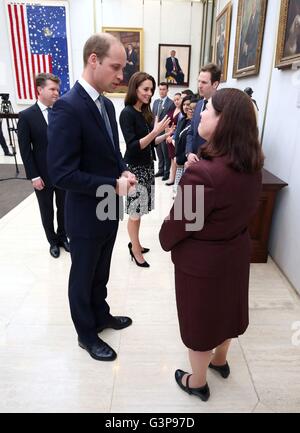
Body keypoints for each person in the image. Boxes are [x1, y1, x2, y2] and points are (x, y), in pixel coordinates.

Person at [159, 88, 264, 401]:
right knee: (227, 311)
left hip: (202, 263)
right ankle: (220, 361)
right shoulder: (252, 165)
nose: (201, 113)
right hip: (234, 253)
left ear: (223, 122)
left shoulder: (203, 174)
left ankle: (197, 381)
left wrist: (163, 239)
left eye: (208, 110)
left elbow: (176, 227)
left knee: (201, 322)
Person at [47, 33, 137, 362]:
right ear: (93, 60)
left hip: (108, 206)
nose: (120, 76)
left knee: (102, 270)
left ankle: (101, 315)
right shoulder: (67, 108)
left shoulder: (106, 104)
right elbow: (61, 173)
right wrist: (113, 184)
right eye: (116, 67)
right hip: (85, 211)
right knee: (83, 273)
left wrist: (124, 170)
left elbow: (112, 153)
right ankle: (86, 333)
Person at [119, 72, 172, 268]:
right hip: (135, 169)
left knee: (139, 212)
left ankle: (137, 244)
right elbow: (134, 146)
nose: (150, 93)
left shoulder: (144, 111)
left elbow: (149, 144)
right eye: (146, 89)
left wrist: (163, 135)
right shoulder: (127, 113)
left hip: (147, 166)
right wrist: (155, 132)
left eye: (151, 89)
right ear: (135, 89)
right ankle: (134, 250)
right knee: (134, 212)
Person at [17, 73, 69, 258]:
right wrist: (34, 176)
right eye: (52, 89)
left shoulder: (62, 112)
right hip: (42, 174)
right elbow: (25, 150)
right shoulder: (26, 116)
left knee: (64, 208)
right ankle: (52, 241)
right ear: (40, 90)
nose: (57, 93)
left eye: (57, 89)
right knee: (47, 210)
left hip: (63, 173)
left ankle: (63, 237)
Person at [185, 63, 221, 167]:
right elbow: (191, 132)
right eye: (199, 81)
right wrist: (189, 153)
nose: (199, 85)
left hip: (209, 164)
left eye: (204, 82)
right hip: (193, 160)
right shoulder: (199, 104)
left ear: (215, 84)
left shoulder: (220, 107)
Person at [152, 82, 175, 180]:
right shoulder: (156, 102)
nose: (161, 91)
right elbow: (153, 116)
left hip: (165, 132)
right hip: (156, 132)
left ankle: (166, 172)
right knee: (159, 153)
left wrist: (168, 133)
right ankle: (160, 170)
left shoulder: (171, 103)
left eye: (163, 89)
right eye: (160, 89)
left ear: (167, 90)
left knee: (166, 154)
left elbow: (171, 119)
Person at [165, 92, 182, 186]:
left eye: (178, 99)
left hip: (175, 138)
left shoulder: (182, 112)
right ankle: (172, 177)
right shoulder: (172, 110)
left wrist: (172, 137)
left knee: (175, 159)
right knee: (171, 158)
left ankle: (174, 179)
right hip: (169, 137)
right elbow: (167, 123)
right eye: (174, 100)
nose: (176, 101)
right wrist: (167, 135)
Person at [239, 0, 260, 69]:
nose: (253, 7)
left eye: (254, 6)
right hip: (249, 44)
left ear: (256, 6)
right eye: (252, 6)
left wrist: (249, 46)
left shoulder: (258, 16)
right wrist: (245, 43)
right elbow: (248, 32)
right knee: (242, 56)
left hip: (253, 45)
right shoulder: (251, 16)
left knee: (248, 56)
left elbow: (256, 34)